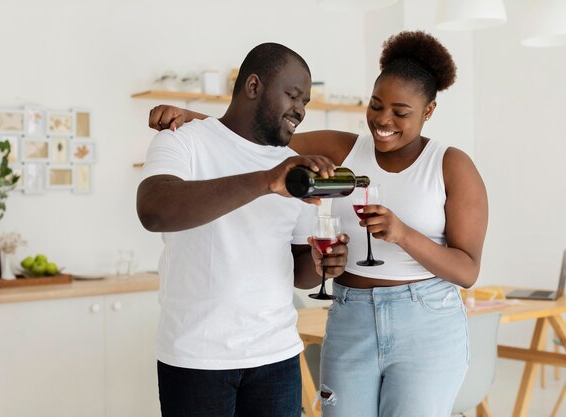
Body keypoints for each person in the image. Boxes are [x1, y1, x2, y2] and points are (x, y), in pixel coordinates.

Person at [148, 31, 489, 417]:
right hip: (350, 314)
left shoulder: (451, 165)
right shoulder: (341, 148)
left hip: (425, 319)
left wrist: (403, 235)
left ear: (428, 111)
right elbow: (258, 137)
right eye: (376, 106)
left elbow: (468, 270)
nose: (383, 121)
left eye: (400, 112)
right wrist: (194, 119)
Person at [137, 42, 350, 417]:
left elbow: (299, 270)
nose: (301, 109)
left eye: (306, 101)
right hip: (197, 359)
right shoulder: (182, 139)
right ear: (253, 87)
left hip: (277, 356)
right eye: (293, 95)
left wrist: (321, 262)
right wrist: (266, 181)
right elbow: (154, 211)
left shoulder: (290, 165)